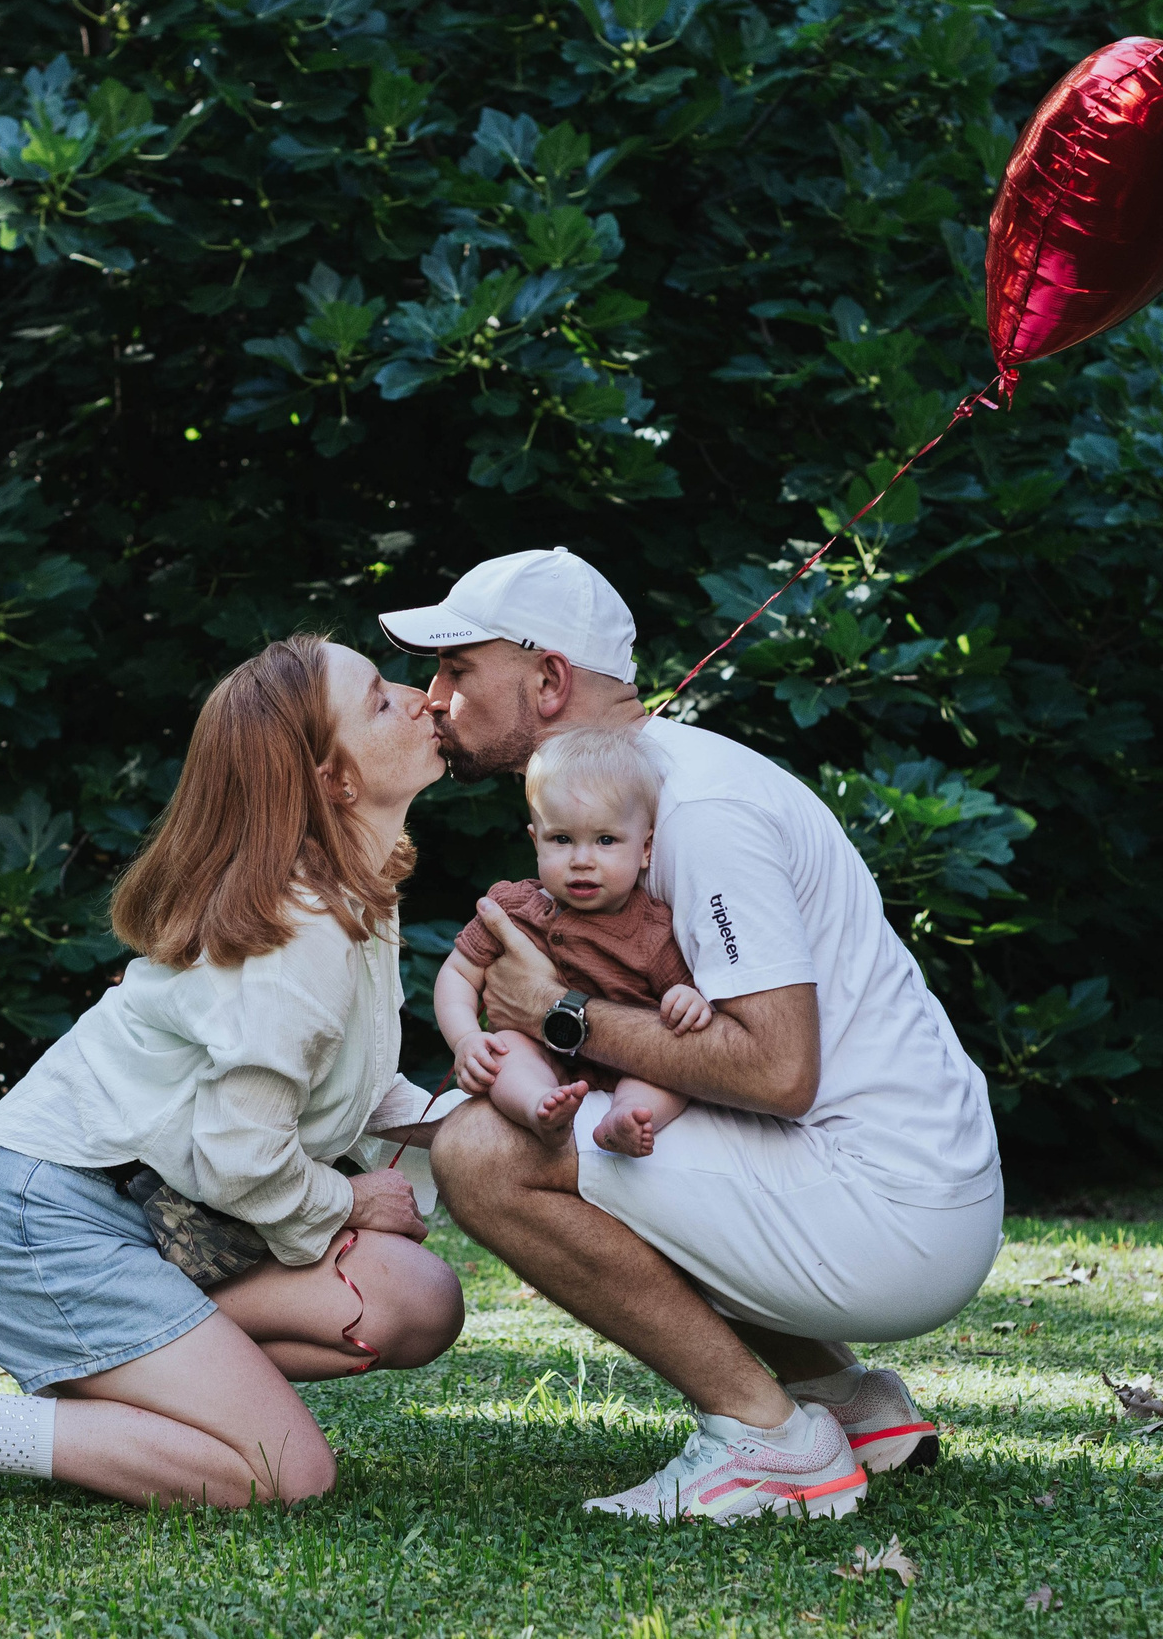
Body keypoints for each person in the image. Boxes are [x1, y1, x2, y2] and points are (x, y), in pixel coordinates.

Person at [383, 547, 1004, 1524]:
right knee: (584, 1119)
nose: (433, 697)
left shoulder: (699, 810)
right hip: (881, 1186)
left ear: (549, 680)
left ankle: (770, 1441)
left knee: (484, 1150)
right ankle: (846, 1400)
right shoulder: (633, 795)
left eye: (458, 668)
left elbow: (778, 1068)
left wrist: (557, 1012)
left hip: (895, 1210)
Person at [0, 635, 468, 1519]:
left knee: (416, 1299)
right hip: (40, 1217)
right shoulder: (299, 932)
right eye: (380, 699)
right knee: (283, 1473)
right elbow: (239, 1157)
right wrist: (351, 1201)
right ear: (331, 780)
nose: (423, 697)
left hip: (140, 1213)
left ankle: (139, 1381)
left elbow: (336, 1077)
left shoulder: (345, 893)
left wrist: (476, 1118)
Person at [434, 725, 715, 1157]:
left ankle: (627, 1118)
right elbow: (457, 973)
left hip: (630, 1063)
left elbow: (693, 995)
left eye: (606, 840)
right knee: (508, 1053)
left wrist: (689, 999)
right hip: (541, 1055)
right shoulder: (514, 908)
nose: (582, 860)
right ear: (536, 841)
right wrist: (466, 1038)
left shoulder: (653, 930)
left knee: (670, 1074)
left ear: (645, 849)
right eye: (561, 839)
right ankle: (539, 1107)